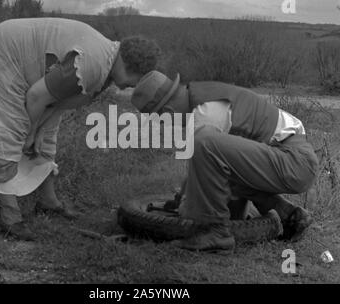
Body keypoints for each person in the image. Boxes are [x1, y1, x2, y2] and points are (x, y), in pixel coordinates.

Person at [0, 18, 161, 241]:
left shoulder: (107, 65)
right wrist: (31, 132)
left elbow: (55, 104)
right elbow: (35, 97)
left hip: (24, 61)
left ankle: (48, 202)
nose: (134, 86)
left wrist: (40, 133)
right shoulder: (91, 64)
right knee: (9, 130)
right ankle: (10, 216)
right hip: (4, 53)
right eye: (136, 79)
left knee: (46, 136)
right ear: (130, 65)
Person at [131, 71, 319, 252]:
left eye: (160, 120)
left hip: (295, 162)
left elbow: (203, 158)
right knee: (219, 176)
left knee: (203, 144)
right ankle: (289, 215)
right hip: (289, 158)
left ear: (167, 111)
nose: (165, 124)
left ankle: (216, 233)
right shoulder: (205, 96)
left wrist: (188, 205)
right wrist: (181, 198)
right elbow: (209, 170)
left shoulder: (205, 114)